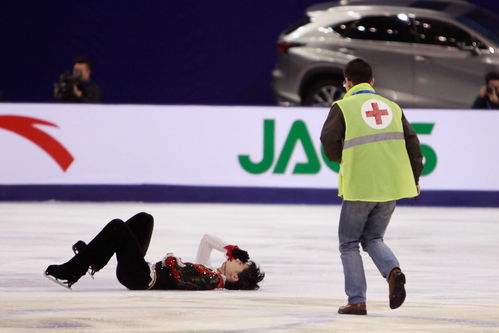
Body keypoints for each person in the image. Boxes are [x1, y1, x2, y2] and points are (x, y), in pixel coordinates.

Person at [320, 58, 423, 315]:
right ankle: (393, 272)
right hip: (391, 186)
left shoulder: (343, 107)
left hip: (361, 185)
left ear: (347, 82)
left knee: (349, 243)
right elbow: (414, 146)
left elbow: (328, 139)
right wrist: (415, 178)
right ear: (373, 81)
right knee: (374, 237)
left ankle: (357, 300)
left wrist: (341, 158)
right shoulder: (392, 107)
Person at [45, 212, 264, 291]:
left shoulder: (213, 281)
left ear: (235, 276)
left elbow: (182, 280)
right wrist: (231, 248)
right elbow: (206, 240)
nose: (236, 260)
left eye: (240, 264)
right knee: (144, 219)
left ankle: (72, 271)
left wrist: (171, 260)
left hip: (140, 277)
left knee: (118, 226)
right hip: (141, 271)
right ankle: (94, 258)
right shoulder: (210, 271)